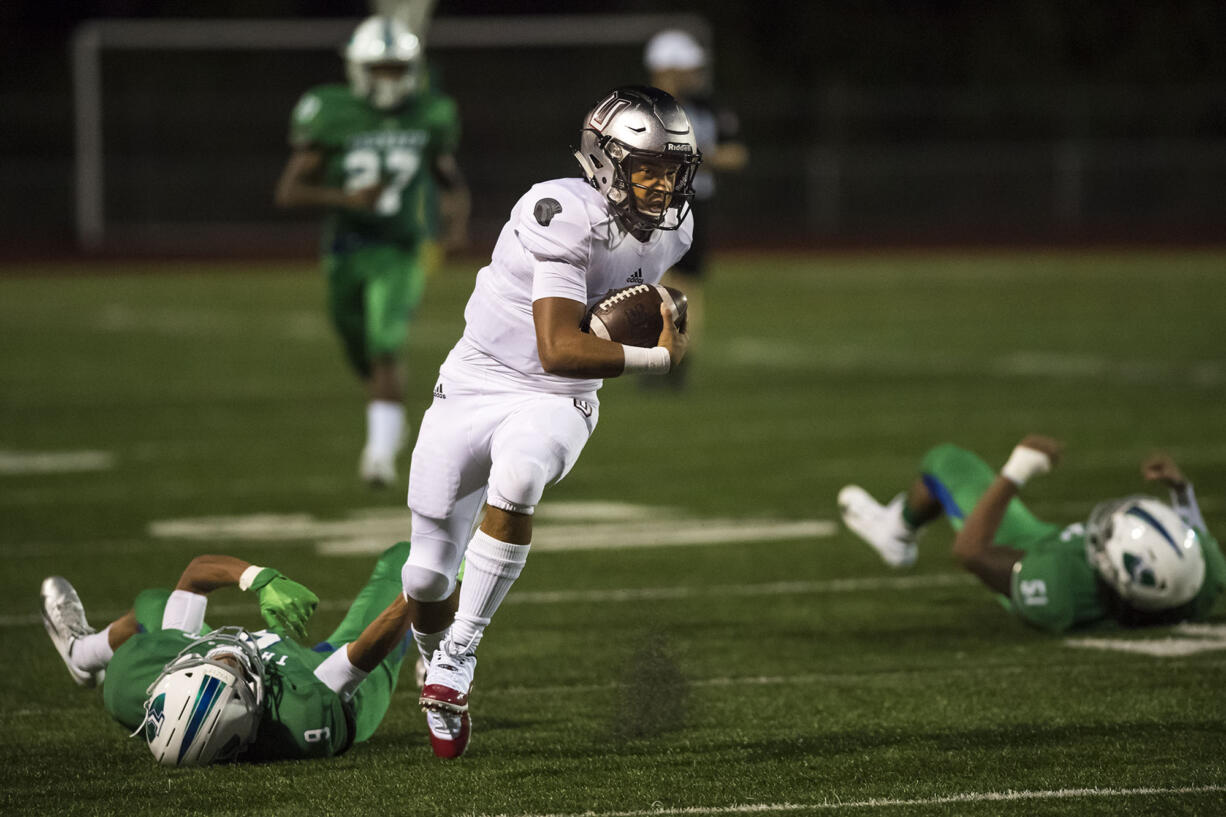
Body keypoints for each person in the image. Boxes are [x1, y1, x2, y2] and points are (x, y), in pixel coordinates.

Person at [398, 86, 702, 759]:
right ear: (604, 161)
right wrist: (658, 353)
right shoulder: (559, 210)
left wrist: (656, 309)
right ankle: (431, 654)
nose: (661, 184)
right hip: (477, 380)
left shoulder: (676, 229)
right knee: (423, 577)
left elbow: (574, 357)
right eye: (646, 166)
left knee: (520, 473)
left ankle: (458, 660)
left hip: (559, 397)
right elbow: (558, 343)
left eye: (673, 169)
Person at [39, 541, 459, 764]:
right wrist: (433, 586)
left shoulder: (130, 683)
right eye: (232, 672)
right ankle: (439, 660)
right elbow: (365, 651)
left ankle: (81, 654)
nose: (227, 655)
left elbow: (195, 576)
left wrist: (259, 579)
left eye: (211, 661)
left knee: (154, 603)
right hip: (328, 681)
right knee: (413, 564)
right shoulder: (302, 717)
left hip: (225, 686)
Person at [275, 15, 469, 488]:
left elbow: (447, 176)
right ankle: (388, 415)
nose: (389, 78)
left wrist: (455, 218)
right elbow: (290, 191)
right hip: (345, 248)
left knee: (386, 343)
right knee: (357, 342)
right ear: (359, 69)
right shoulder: (331, 110)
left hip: (401, 247)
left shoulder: (429, 112)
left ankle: (379, 453)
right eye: (380, 68)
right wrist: (345, 199)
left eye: (397, 68)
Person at [838, 435, 1225, 633]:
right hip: (1078, 563)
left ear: (1112, 573)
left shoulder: (1060, 588)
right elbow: (1187, 545)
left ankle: (898, 533)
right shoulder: (1201, 580)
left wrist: (1018, 470)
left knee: (945, 462)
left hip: (1039, 553)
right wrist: (1181, 493)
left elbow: (971, 552)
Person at [642, 29, 747, 387]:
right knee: (649, 281)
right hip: (648, 201)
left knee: (685, 285)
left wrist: (696, 155)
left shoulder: (707, 107)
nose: (695, 74)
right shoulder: (640, 106)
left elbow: (736, 154)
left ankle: (676, 361)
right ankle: (653, 357)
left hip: (692, 202)